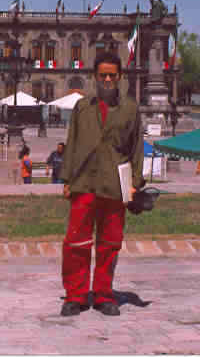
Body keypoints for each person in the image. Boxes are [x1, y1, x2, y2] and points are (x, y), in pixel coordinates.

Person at [59, 52, 144, 317]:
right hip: (83, 182)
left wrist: (135, 184)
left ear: (119, 77)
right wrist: (67, 179)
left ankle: (104, 295)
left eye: (112, 75)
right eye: (102, 75)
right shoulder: (82, 107)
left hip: (115, 185)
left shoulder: (130, 109)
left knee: (109, 244)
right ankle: (76, 295)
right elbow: (71, 143)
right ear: (95, 77)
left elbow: (137, 149)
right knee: (76, 243)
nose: (107, 79)